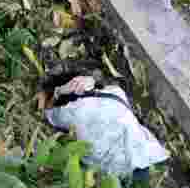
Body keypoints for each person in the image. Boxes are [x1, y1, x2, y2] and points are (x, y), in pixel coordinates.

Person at [39, 71, 169, 180]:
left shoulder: (70, 112)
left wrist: (57, 92)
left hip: (122, 174)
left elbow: (48, 113)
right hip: (152, 154)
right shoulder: (116, 92)